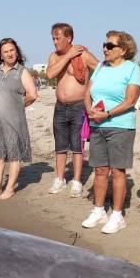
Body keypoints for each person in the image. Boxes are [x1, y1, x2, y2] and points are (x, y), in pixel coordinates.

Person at [81, 30, 140, 234]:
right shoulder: (100, 66)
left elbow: (130, 101)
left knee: (117, 171)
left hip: (120, 126)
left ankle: (117, 215)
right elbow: (87, 92)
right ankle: (98, 211)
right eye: (104, 45)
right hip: (98, 125)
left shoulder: (132, 68)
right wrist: (90, 110)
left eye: (110, 46)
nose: (104, 49)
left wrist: (106, 114)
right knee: (100, 170)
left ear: (123, 50)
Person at [46, 23, 99, 197]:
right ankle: (60, 179)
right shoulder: (54, 57)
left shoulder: (83, 54)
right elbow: (50, 74)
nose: (54, 42)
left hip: (78, 107)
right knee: (60, 145)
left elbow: (101, 70)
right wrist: (67, 55)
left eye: (58, 38)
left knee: (78, 146)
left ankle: (76, 181)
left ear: (68, 38)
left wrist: (93, 93)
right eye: (53, 38)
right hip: (60, 107)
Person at [0, 38, 38, 200]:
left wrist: (19, 104)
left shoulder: (22, 71)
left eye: (12, 50)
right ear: (0, 55)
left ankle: (10, 188)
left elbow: (33, 94)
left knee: (14, 154)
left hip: (14, 121)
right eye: (5, 51)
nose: (9, 54)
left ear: (17, 52)